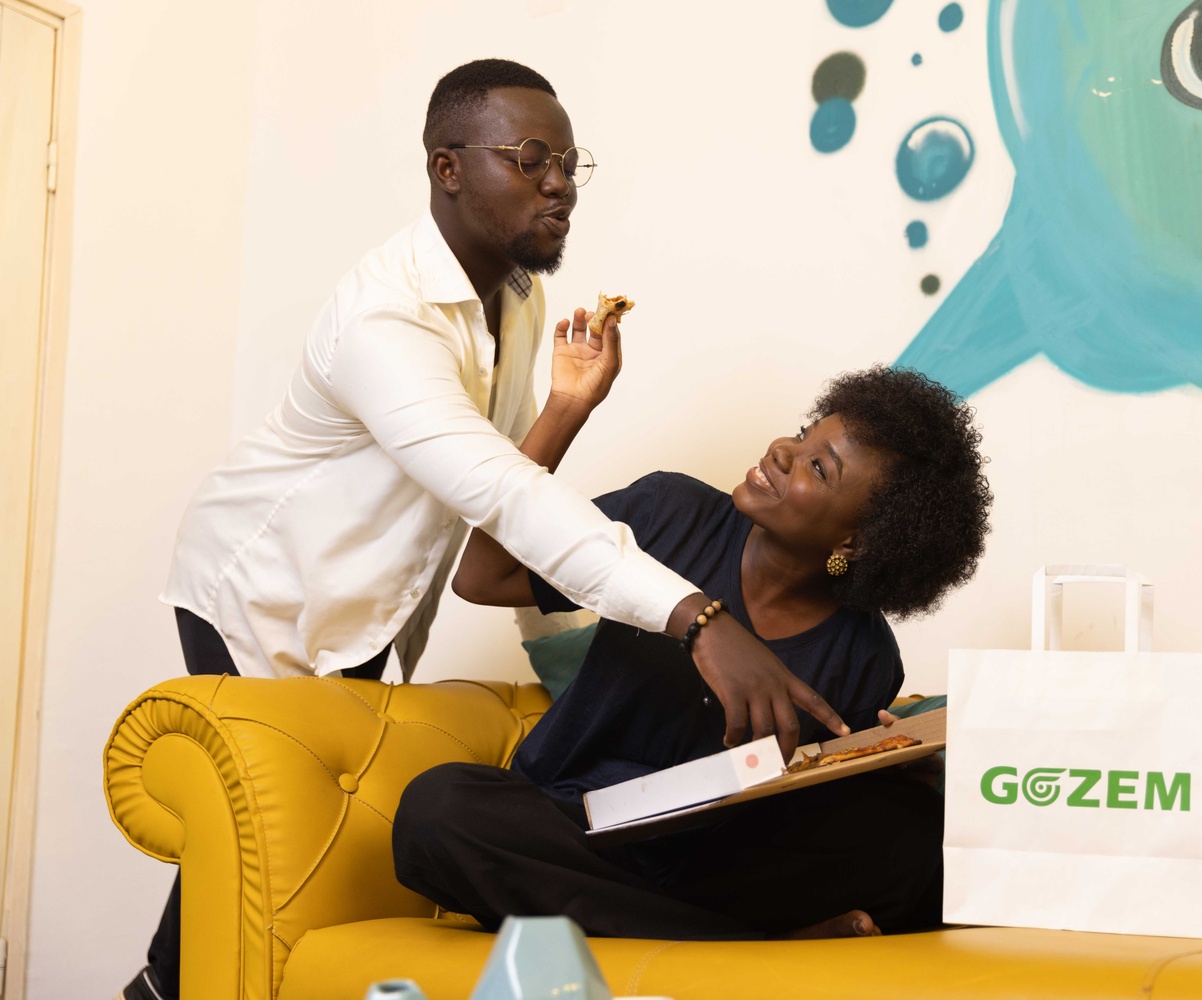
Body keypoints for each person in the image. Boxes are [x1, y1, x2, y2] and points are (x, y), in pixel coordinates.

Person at [119, 59, 845, 1000]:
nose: (559, 184)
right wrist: (698, 619)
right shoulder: (387, 319)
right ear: (448, 168)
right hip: (266, 585)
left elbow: (490, 497)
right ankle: (158, 989)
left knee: (267, 838)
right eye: (531, 159)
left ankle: (160, 988)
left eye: (570, 163)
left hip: (370, 609)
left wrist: (567, 404)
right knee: (259, 825)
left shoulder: (518, 297)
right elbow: (507, 497)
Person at [391, 364, 993, 940]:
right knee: (438, 810)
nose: (782, 449)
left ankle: (661, 924)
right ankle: (749, 942)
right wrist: (567, 408)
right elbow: (484, 577)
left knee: (915, 837)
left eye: (818, 466)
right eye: (803, 432)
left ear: (854, 542)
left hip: (711, 865)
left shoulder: (866, 655)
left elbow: (798, 810)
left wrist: (883, 774)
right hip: (573, 825)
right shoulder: (669, 513)